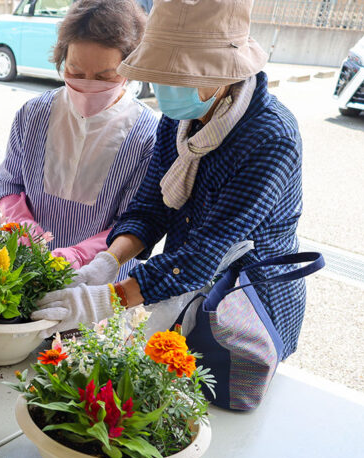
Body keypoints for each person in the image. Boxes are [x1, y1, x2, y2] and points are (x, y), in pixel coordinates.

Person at [32, 0, 307, 359]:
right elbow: (151, 208)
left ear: (225, 73)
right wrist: (105, 264)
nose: (166, 88)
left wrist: (107, 299)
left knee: (219, 394)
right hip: (183, 289)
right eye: (161, 74)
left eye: (182, 76)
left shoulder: (271, 138)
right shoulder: (179, 121)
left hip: (245, 308)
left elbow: (211, 249)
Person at [0, 0, 157, 280]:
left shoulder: (146, 134)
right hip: (27, 270)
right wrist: (22, 226)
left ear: (130, 69)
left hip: (102, 279)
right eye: (76, 73)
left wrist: (78, 256)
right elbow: (9, 183)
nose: (88, 86)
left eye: (105, 77)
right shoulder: (33, 115)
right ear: (61, 60)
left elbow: (134, 222)